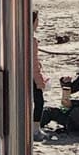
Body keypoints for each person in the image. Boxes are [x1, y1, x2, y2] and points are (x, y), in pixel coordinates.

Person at [30, 9, 48, 142]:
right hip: (30, 77)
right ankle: (35, 129)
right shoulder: (32, 41)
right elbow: (34, 64)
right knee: (39, 101)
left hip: (18, 75)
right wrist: (39, 81)